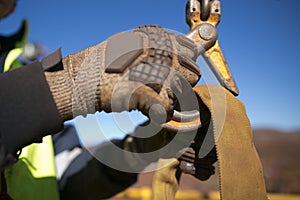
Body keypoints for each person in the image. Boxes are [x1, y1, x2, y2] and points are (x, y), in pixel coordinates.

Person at [0, 0, 203, 199]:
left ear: (13, 7)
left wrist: (141, 148)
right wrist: (66, 84)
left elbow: (68, 179)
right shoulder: (27, 78)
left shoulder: (17, 68)